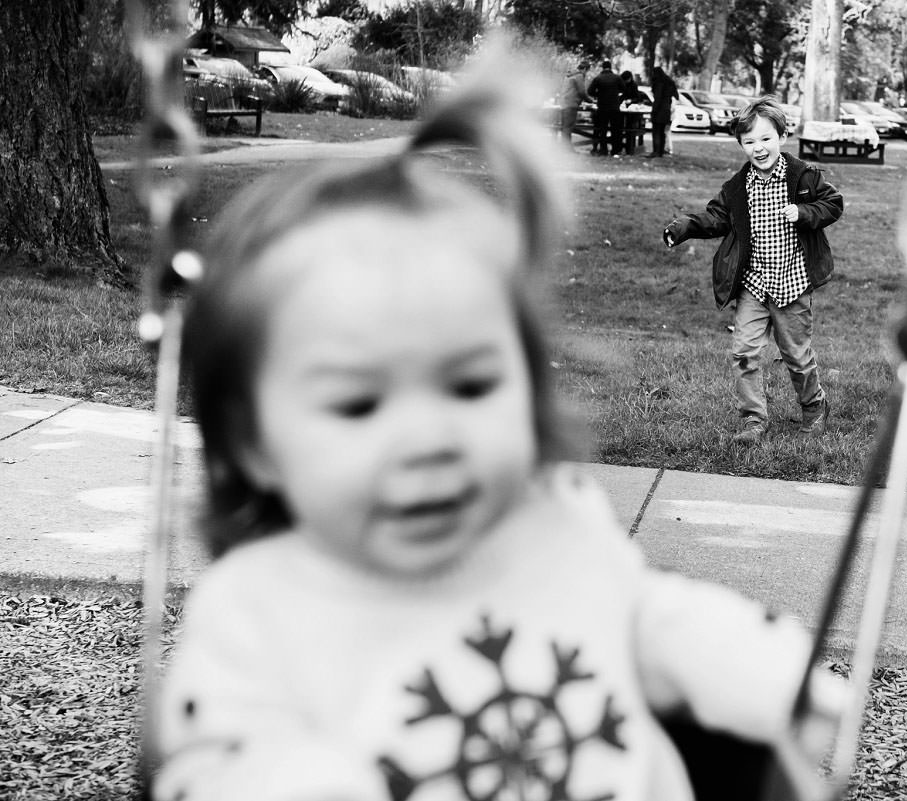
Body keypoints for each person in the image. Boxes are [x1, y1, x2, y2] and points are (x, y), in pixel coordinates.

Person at [151, 49, 845, 801]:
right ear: (254, 442)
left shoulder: (554, 521)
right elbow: (211, 764)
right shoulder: (259, 609)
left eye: (473, 384)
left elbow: (642, 617)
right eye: (357, 404)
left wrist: (765, 674)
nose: (430, 436)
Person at [663, 97, 844, 446]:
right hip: (754, 285)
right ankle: (753, 420)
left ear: (782, 135)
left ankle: (814, 407)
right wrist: (684, 226)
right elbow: (716, 217)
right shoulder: (737, 188)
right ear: (741, 145)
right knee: (744, 352)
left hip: (792, 284)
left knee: (796, 354)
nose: (758, 148)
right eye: (749, 142)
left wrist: (804, 213)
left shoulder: (803, 176)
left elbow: (833, 203)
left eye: (765, 138)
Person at [587, 60, 624, 157]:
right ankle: (615, 150)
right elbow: (624, 89)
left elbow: (590, 91)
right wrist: (615, 94)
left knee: (603, 129)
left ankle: (603, 150)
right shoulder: (617, 78)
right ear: (610, 67)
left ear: (602, 68)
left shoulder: (598, 78)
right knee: (615, 130)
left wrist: (598, 95)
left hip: (602, 107)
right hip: (614, 107)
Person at [647, 66, 678, 158]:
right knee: (662, 132)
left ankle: (656, 151)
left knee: (656, 131)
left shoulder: (658, 83)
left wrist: (654, 111)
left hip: (659, 109)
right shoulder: (669, 82)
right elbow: (676, 95)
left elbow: (658, 98)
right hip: (666, 109)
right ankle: (660, 151)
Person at [557, 60, 589, 144]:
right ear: (585, 69)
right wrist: (591, 101)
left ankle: (564, 147)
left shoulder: (569, 76)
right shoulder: (579, 76)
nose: (586, 73)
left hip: (564, 103)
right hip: (571, 104)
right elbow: (582, 92)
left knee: (565, 127)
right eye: (587, 71)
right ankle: (567, 148)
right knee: (568, 127)